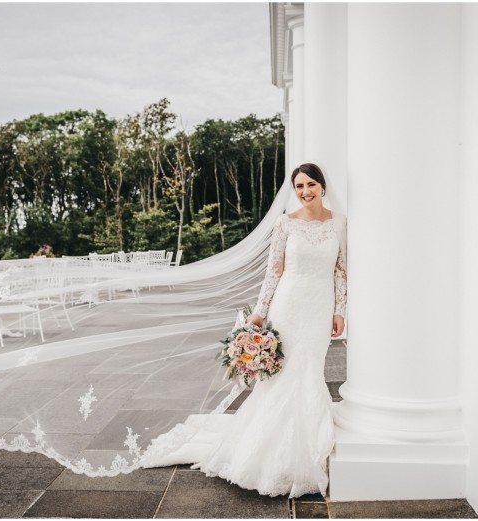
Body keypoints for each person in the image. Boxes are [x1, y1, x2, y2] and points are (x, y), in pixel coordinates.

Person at [139, 162, 347, 498]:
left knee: (310, 370)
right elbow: (273, 271)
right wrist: (260, 314)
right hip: (288, 304)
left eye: (310, 184)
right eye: (299, 187)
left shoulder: (339, 222)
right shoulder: (285, 224)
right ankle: (269, 451)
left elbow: (340, 270)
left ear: (323, 185)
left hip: (319, 307)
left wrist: (340, 310)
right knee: (285, 375)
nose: (305, 192)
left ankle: (307, 442)